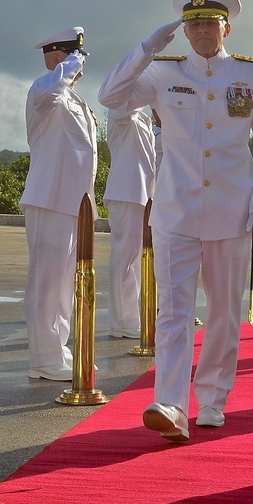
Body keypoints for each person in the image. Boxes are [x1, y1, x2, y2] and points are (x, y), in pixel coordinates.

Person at [98, 0, 253, 441]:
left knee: (223, 312)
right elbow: (111, 96)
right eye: (193, 23)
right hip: (175, 211)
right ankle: (172, 402)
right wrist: (146, 49)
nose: (202, 30)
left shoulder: (251, 75)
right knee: (173, 311)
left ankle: (213, 398)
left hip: (231, 212)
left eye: (210, 23)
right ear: (184, 30)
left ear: (226, 27)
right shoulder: (162, 73)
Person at [21, 27, 97, 380]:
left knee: (65, 284)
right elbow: (51, 91)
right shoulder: (43, 89)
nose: (81, 65)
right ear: (57, 58)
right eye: (74, 57)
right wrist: (65, 69)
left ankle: (58, 350)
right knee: (46, 281)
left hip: (73, 201)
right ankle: (43, 356)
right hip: (49, 197)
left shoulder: (76, 99)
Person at [103, 106, 156, 339]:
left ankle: (129, 317)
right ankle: (122, 321)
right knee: (125, 259)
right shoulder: (120, 112)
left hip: (141, 195)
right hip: (126, 193)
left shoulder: (143, 119)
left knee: (134, 261)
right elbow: (123, 107)